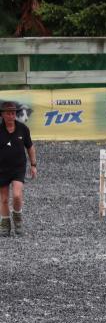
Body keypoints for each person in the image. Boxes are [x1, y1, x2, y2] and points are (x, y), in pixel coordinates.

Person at [0, 101, 37, 236]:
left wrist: (33, 165)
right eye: (8, 113)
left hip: (18, 167)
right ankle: (5, 223)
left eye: (13, 113)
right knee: (3, 199)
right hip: (2, 169)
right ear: (2, 115)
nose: (11, 116)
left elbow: (30, 147)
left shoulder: (23, 129)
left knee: (16, 195)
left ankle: (18, 219)